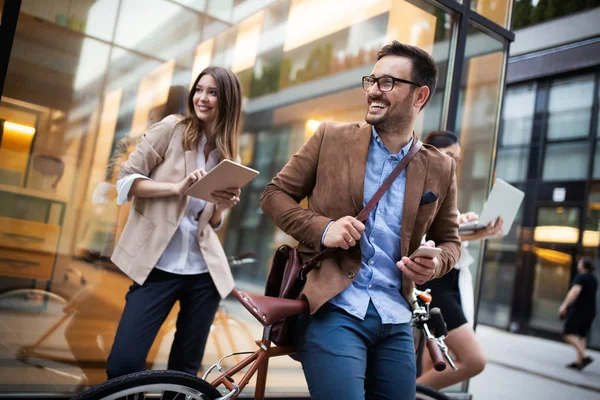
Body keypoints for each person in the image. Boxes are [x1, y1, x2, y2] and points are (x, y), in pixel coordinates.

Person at [261, 41, 461, 400]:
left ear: (420, 96)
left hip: (396, 318)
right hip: (334, 308)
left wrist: (434, 263)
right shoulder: (330, 137)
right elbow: (273, 195)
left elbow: (450, 242)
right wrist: (324, 228)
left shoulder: (440, 166)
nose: (373, 90)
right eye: (371, 80)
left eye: (387, 83)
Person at [106, 66, 243, 379]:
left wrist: (221, 207)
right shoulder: (171, 128)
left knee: (185, 369)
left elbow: (209, 222)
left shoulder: (226, 152)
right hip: (157, 265)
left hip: (203, 273)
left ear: (228, 102)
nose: (202, 98)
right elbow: (125, 181)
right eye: (199, 90)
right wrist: (176, 187)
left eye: (213, 93)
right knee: (124, 365)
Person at [416, 131, 503, 390]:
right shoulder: (420, 184)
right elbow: (423, 236)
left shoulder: (445, 187)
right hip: (435, 284)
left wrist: (481, 231)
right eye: (449, 156)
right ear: (432, 153)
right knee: (474, 360)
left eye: (458, 159)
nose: (454, 164)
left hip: (447, 280)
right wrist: (459, 224)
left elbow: (450, 238)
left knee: (434, 365)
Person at [559, 257, 597, 371]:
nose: (578, 264)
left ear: (583, 265)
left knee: (567, 333)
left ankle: (584, 357)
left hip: (579, 309)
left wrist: (564, 305)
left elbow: (575, 291)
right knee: (582, 335)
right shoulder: (594, 279)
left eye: (580, 262)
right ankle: (578, 362)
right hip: (591, 310)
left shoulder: (581, 277)